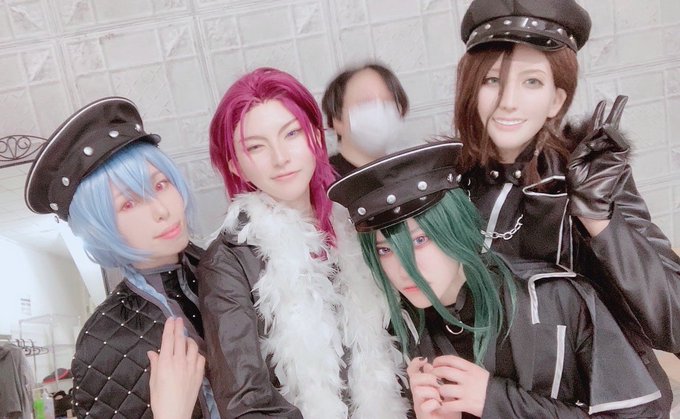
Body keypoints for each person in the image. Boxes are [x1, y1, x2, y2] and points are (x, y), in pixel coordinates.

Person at [328, 141, 666, 418]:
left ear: (455, 228)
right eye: (385, 250)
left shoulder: (554, 299)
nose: (403, 268)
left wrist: (496, 402)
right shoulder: (401, 332)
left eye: (419, 240)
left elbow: (643, 415)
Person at [454, 0, 680, 388]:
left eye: (531, 82)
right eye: (492, 80)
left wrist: (598, 219)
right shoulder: (448, 181)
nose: (508, 101)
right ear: (472, 89)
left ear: (556, 100)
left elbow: (674, 322)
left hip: (596, 400)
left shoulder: (593, 177)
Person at [199, 67, 408, 419]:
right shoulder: (227, 261)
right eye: (256, 147)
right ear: (235, 165)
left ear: (315, 135)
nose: (280, 157)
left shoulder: (359, 220)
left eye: (291, 133)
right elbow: (245, 403)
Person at [24, 97, 216, 418]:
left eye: (161, 184)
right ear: (100, 228)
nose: (161, 210)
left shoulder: (234, 269)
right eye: (128, 203)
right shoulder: (101, 341)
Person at [321, 62, 409, 176]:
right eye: (366, 102)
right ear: (337, 121)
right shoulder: (324, 181)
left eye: (389, 100)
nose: (380, 109)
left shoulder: (408, 176)